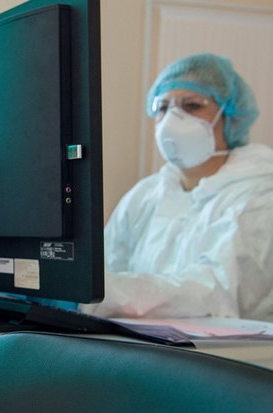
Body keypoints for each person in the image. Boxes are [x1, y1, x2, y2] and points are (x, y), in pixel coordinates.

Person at [81, 53, 273, 321]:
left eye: (192, 105)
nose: (172, 119)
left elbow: (212, 294)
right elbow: (104, 266)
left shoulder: (260, 195)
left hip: (231, 346)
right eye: (162, 107)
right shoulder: (146, 194)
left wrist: (94, 295)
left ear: (231, 117)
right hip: (141, 341)